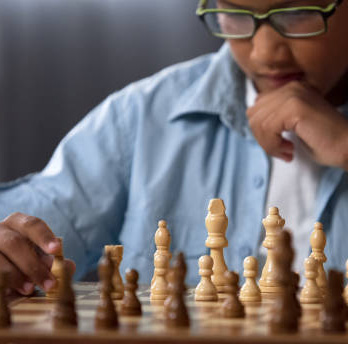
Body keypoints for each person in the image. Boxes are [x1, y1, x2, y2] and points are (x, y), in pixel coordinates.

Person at [0, 0, 347, 295]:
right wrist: (10, 246)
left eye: (297, 13)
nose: (265, 52)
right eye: (235, 13)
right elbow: (26, 232)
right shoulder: (140, 118)